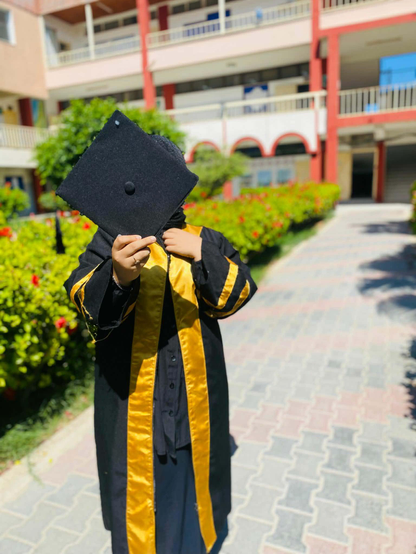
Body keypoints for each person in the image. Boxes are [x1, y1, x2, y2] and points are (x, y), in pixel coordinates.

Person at [64, 136, 257, 554]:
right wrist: (118, 276)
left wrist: (202, 253)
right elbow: (85, 302)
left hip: (193, 403)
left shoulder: (204, 237)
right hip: (135, 410)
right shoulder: (112, 243)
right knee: (141, 500)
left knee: (191, 492)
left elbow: (238, 293)